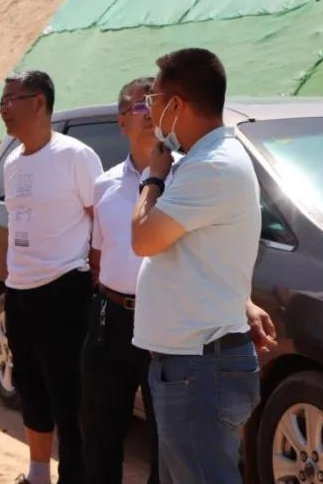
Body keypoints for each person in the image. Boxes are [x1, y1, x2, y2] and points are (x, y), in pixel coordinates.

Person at [132, 47, 264, 484]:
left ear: (176, 105)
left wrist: (152, 177)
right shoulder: (200, 161)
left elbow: (143, 238)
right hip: (192, 364)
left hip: (199, 367)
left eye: (153, 100)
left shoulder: (212, 166)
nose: (149, 111)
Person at [0, 70, 102, 484]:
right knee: (29, 386)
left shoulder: (75, 156)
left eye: (11, 100)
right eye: (1, 102)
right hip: (19, 289)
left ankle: (73, 476)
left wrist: (94, 272)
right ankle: (38, 473)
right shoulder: (11, 161)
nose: (3, 109)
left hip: (63, 289)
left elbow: (100, 219)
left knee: (68, 393)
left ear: (39, 102)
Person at [80, 77, 161, 484]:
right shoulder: (105, 184)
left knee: (166, 441)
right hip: (111, 318)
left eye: (155, 104)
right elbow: (98, 255)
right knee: (100, 433)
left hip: (165, 322)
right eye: (139, 106)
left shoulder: (186, 179)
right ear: (121, 121)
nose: (148, 114)